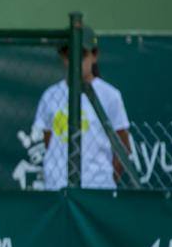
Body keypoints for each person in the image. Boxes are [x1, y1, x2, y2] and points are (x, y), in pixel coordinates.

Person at [34, 26, 131, 189]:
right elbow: (48, 140)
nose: (75, 61)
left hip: (98, 187)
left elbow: (123, 147)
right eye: (68, 55)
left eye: (82, 55)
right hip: (56, 187)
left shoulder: (110, 96)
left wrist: (106, 179)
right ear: (62, 57)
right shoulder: (50, 95)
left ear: (95, 55)